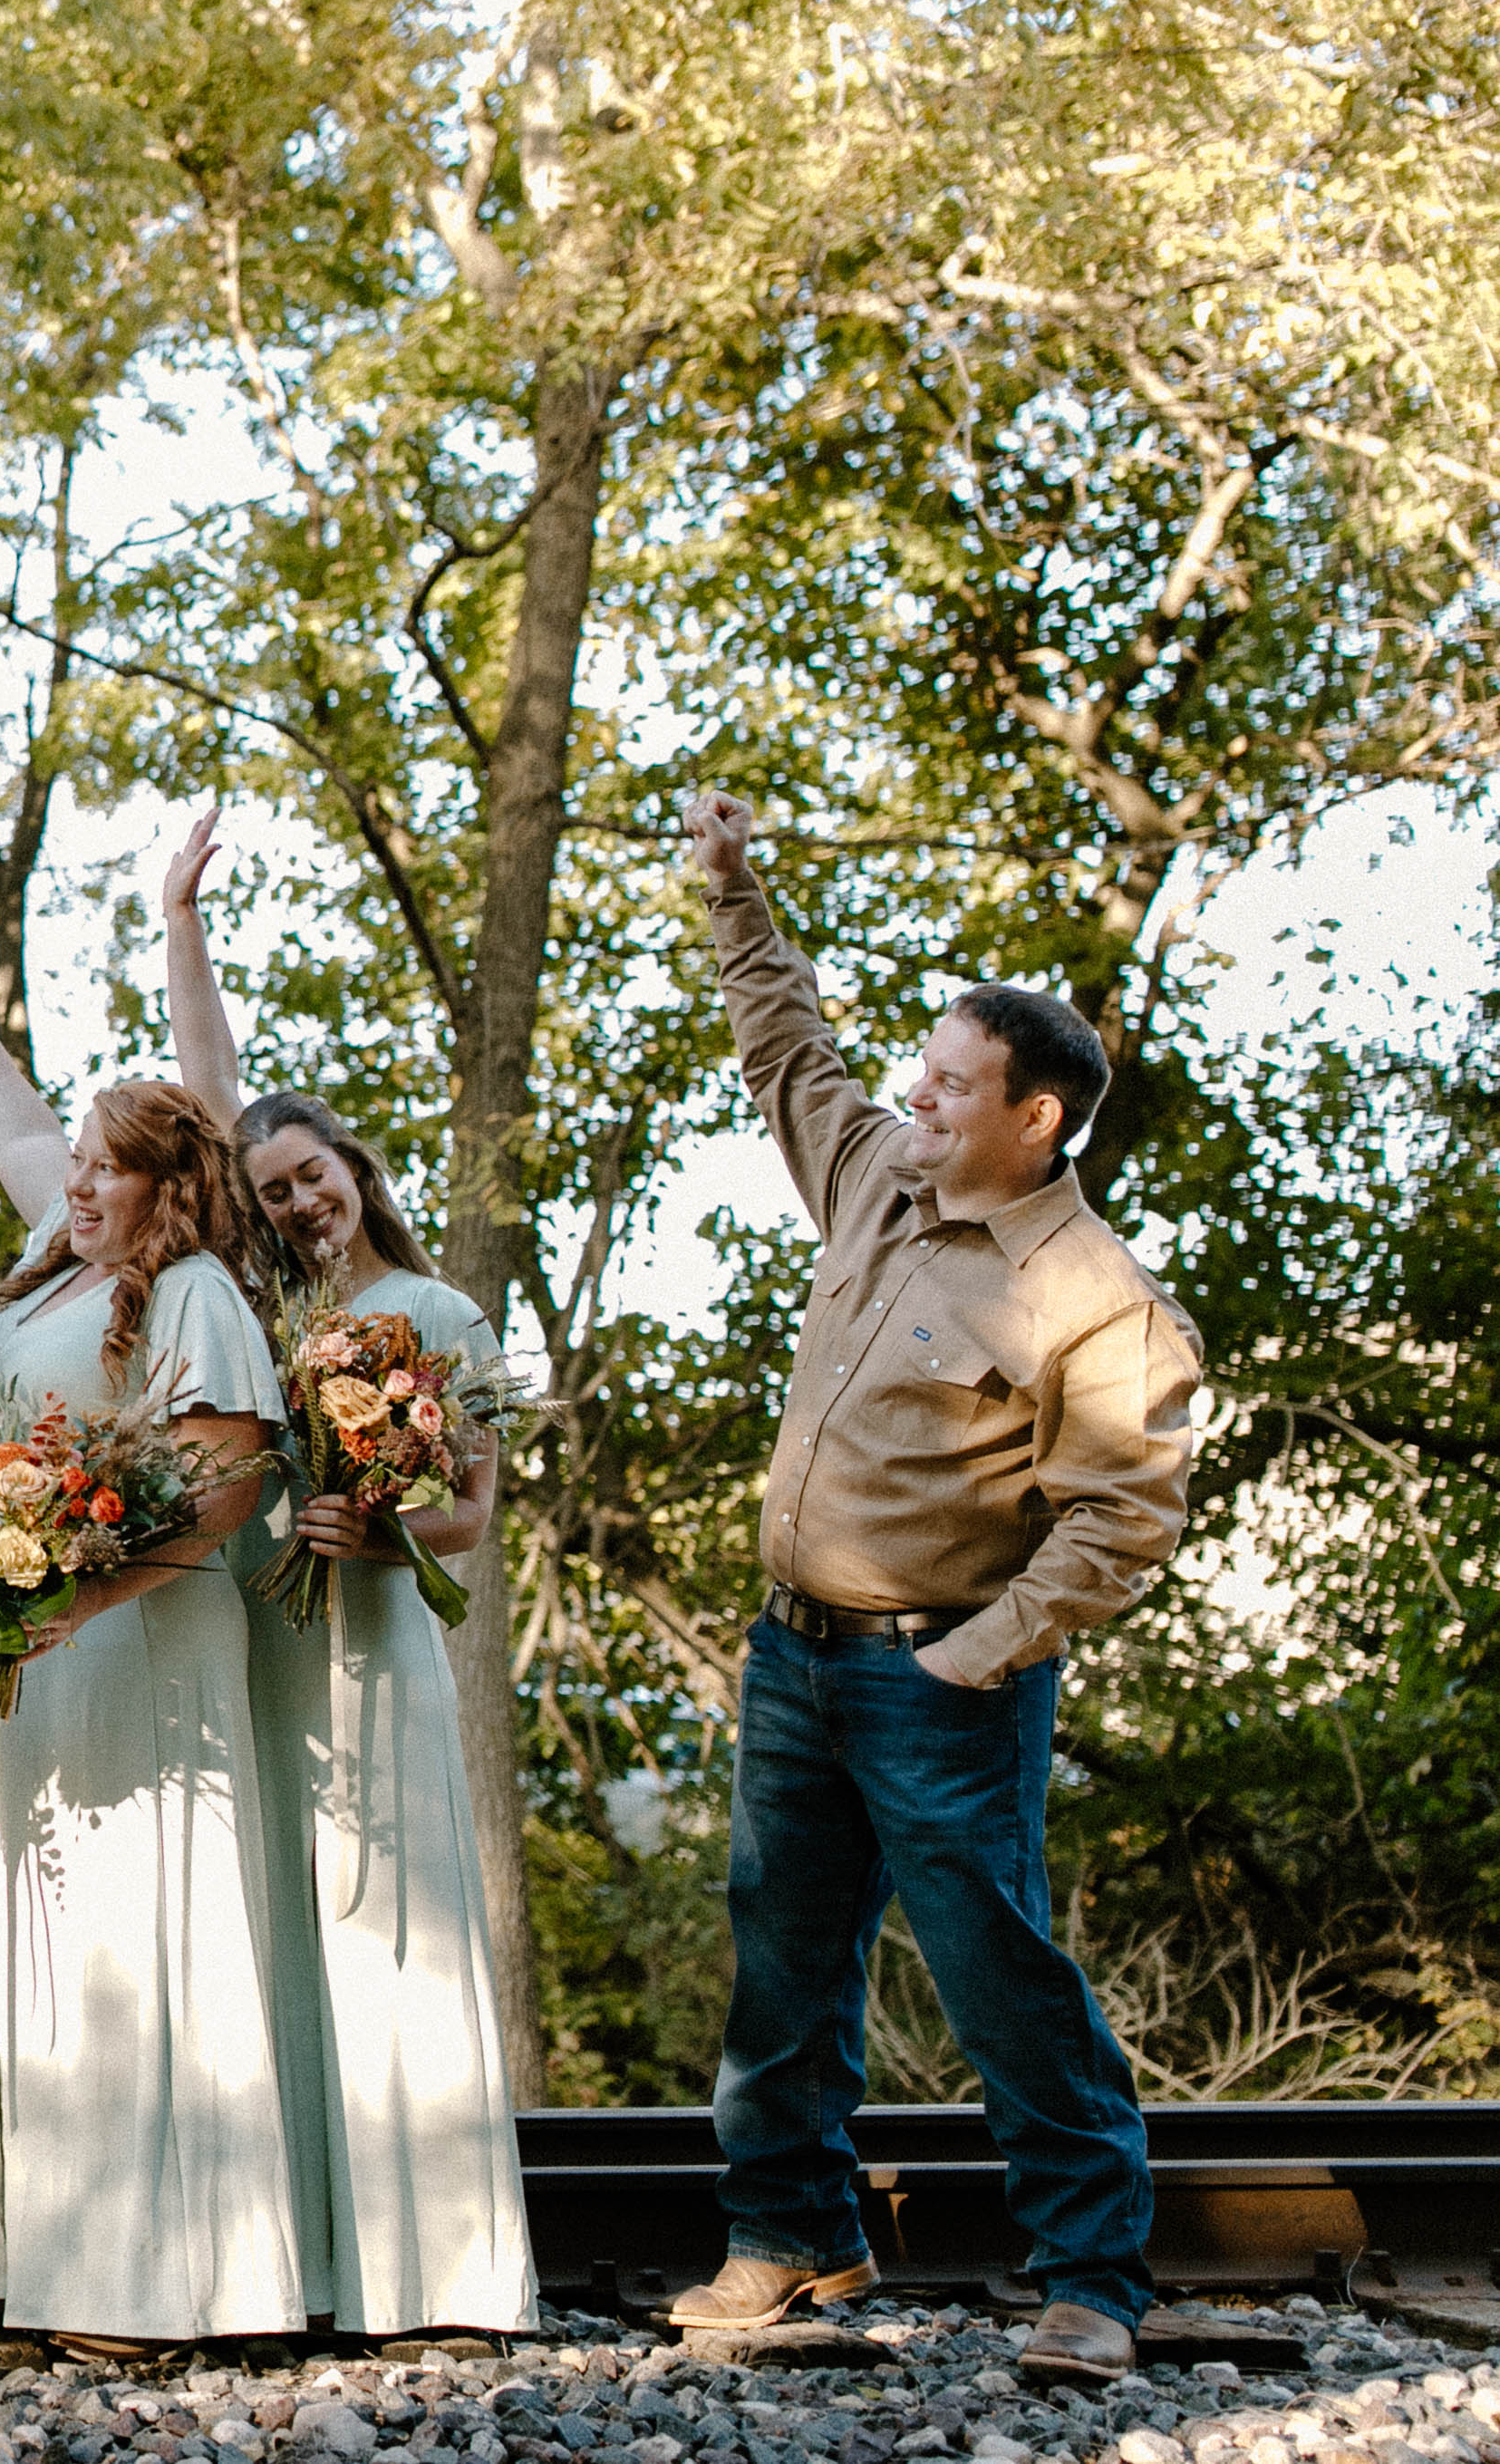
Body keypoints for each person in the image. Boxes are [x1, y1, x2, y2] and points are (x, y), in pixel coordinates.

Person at [667, 790, 1197, 2385]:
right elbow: (786, 1046)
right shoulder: (879, 1178)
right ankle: (791, 2235)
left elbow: (1120, 1517)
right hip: (793, 1656)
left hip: (938, 1677)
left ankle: (1093, 2275)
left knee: (996, 1968)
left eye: (954, 1083)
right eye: (923, 1070)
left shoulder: (1092, 1296)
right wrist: (732, 889)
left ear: (1037, 1117)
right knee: (785, 1949)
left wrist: (976, 1658)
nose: (917, 1094)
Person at [103, 802, 537, 2337]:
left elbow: (470, 1518)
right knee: (277, 1923)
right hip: (263, 1648)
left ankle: (434, 2269)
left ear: (354, 1165)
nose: (297, 1198)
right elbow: (206, 1102)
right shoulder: (251, 1309)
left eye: (314, 1173)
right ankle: (303, 2254)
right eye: (273, 1185)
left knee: (385, 1915)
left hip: (371, 1643)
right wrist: (181, 926)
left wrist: (384, 1523)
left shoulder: (440, 1311)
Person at [0, 1068, 295, 2346]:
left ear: (167, 1185)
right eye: (73, 1158)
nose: (77, 1181)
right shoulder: (43, 1279)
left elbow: (229, 1481)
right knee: (47, 1924)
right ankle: (43, 2252)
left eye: (106, 1165)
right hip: (30, 1631)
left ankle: (155, 2271)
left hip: (141, 1636)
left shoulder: (194, 1290)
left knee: (130, 1931)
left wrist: (89, 1589)